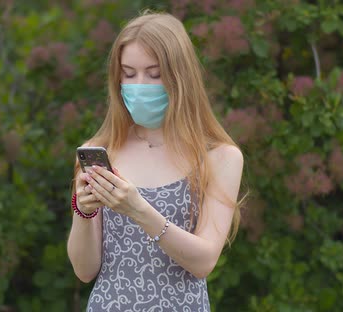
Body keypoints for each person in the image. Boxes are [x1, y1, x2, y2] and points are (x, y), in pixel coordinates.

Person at [67, 11, 244, 311]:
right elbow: (84, 271)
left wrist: (137, 209)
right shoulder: (99, 151)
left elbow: (203, 262)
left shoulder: (219, 157)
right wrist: (83, 212)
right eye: (128, 72)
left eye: (154, 73)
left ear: (180, 75)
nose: (139, 84)